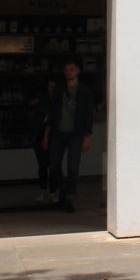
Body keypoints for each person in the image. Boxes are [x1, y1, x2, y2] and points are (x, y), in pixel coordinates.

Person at [42, 59, 94, 213]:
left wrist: (87, 135)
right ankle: (63, 187)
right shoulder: (59, 89)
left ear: (77, 71)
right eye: (66, 70)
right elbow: (52, 113)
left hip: (75, 133)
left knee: (73, 166)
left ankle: (69, 195)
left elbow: (87, 115)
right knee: (53, 164)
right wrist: (46, 135)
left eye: (71, 69)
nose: (68, 72)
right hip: (58, 132)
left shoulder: (84, 91)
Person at [28, 77, 58, 203]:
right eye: (50, 87)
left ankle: (52, 191)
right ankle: (43, 189)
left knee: (53, 164)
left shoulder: (58, 100)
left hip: (54, 134)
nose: (51, 90)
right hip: (41, 133)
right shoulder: (43, 99)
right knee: (43, 163)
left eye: (53, 87)